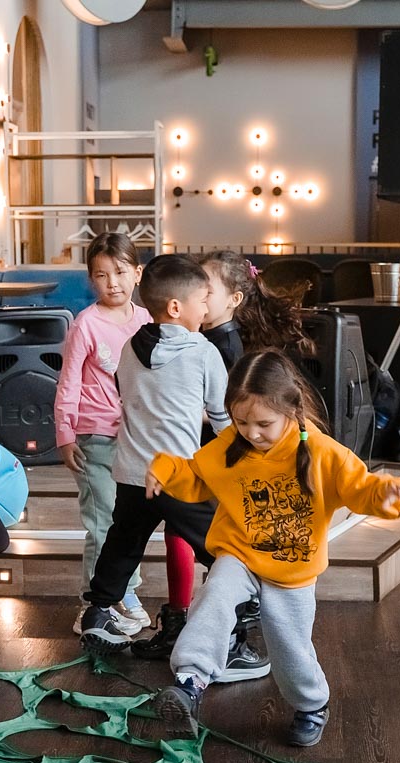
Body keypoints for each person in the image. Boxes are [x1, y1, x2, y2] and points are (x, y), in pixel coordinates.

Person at [149, 350, 400, 748]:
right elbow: (196, 476)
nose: (251, 433)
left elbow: (360, 488)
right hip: (239, 552)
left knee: (289, 645)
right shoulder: (231, 446)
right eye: (241, 422)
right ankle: (190, 683)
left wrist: (385, 493)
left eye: (263, 424)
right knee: (215, 594)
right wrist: (164, 469)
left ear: (292, 410)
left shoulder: (322, 452)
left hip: (292, 568)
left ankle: (311, 705)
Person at [78, 255, 265, 685]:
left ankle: (98, 613)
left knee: (123, 543)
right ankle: (231, 636)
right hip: (180, 477)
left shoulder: (128, 348)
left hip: (131, 473)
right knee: (222, 549)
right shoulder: (203, 351)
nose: (206, 307)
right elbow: (222, 419)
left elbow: (128, 395)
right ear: (177, 308)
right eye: (202, 299)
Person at [130, 249, 310, 664]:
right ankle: (181, 622)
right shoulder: (195, 338)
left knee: (217, 545)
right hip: (193, 455)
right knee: (180, 535)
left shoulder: (224, 346)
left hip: (217, 461)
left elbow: (227, 412)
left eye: (207, 290)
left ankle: (228, 634)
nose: (200, 295)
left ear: (233, 300)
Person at [54, 233, 154, 638]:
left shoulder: (147, 320)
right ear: (91, 280)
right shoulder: (86, 325)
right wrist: (65, 434)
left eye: (120, 272)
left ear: (137, 273)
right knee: (103, 521)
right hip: (95, 436)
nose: (112, 282)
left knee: (131, 521)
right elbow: (68, 383)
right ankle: (93, 604)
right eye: (101, 275)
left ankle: (124, 592)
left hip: (138, 438)